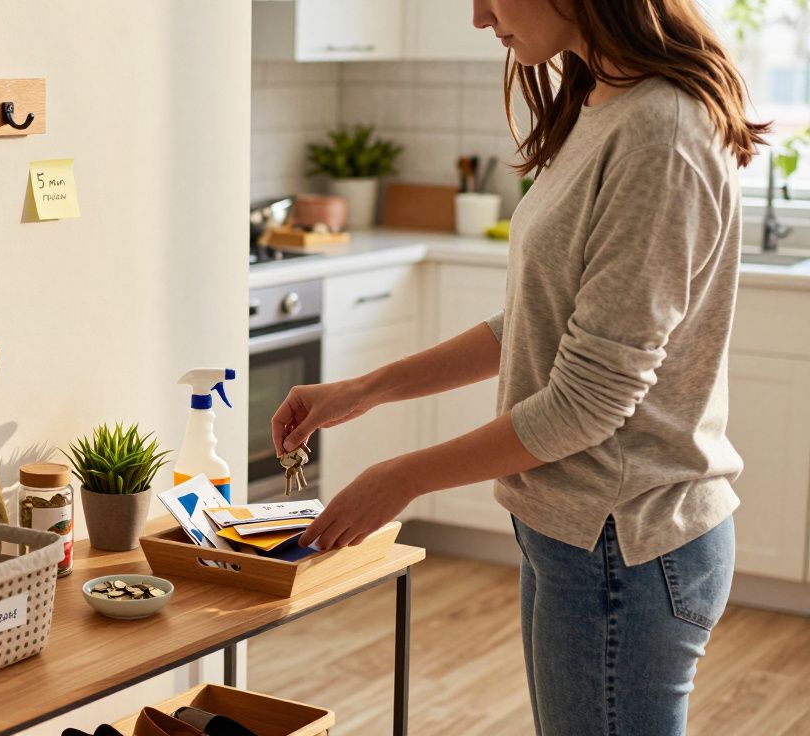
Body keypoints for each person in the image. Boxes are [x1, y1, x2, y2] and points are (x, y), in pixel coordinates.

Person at [272, 1, 770, 733]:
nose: (479, 17)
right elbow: (539, 321)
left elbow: (589, 401)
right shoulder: (602, 102)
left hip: (627, 542)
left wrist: (402, 476)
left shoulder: (659, 131)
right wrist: (364, 391)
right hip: (572, 529)